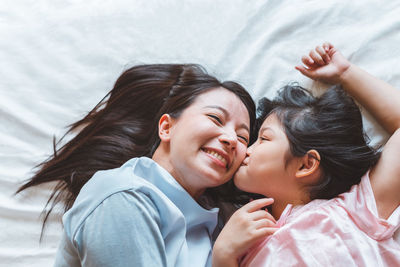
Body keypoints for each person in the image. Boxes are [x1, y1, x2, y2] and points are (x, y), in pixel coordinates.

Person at [17, 64, 259, 266]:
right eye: (215, 118)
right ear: (166, 127)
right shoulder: (122, 196)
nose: (230, 139)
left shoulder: (225, 224)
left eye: (242, 138)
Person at [212, 43, 400, 266]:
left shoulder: (356, 212)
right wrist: (224, 255)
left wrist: (345, 73)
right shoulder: (245, 240)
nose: (246, 150)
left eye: (263, 139)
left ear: (306, 164)